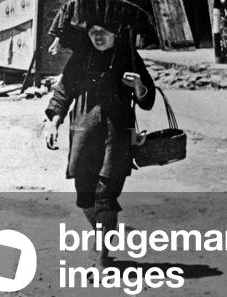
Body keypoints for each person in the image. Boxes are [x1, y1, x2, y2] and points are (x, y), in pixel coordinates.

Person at [42, 14, 156, 267]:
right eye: (93, 31)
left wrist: (138, 85)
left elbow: (147, 100)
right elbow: (64, 91)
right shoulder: (82, 57)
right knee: (85, 198)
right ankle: (105, 231)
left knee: (104, 195)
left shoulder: (128, 56)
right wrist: (54, 122)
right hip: (84, 133)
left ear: (115, 33)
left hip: (116, 137)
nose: (99, 36)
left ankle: (101, 257)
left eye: (104, 31)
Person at [48, 0, 113, 56]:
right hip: (90, 45)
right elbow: (67, 18)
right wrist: (57, 41)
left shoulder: (116, 4)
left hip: (110, 47)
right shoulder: (89, 3)